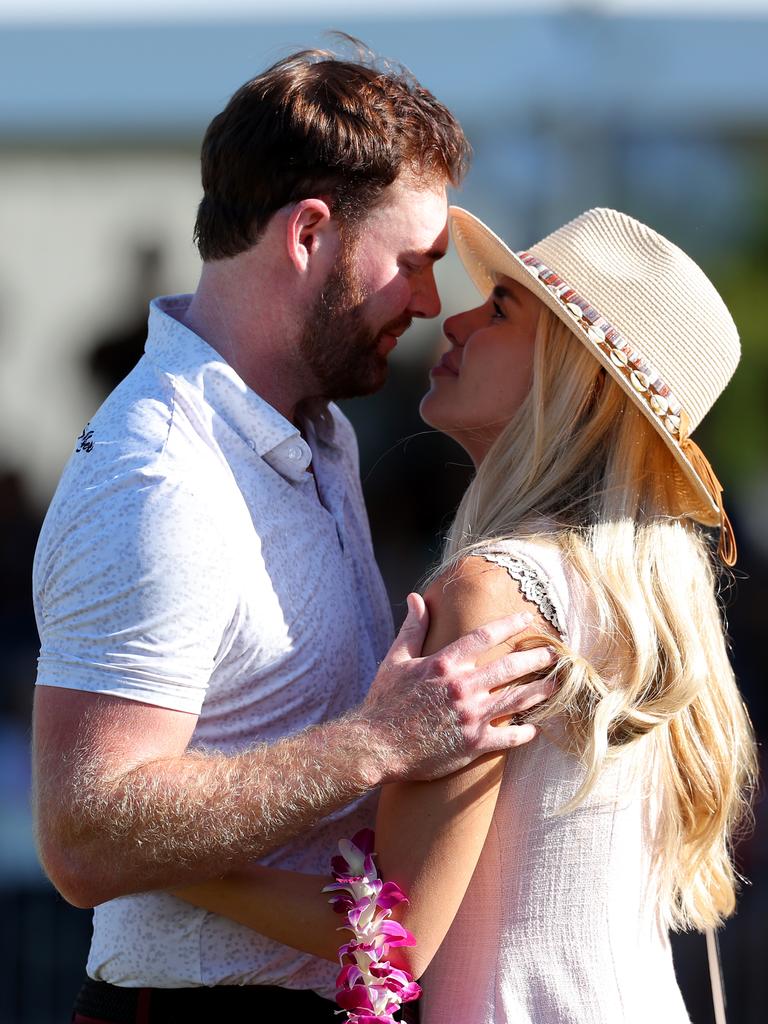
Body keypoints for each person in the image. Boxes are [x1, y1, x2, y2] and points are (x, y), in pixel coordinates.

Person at [31, 49, 556, 1023]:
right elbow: (81, 840)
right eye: (414, 264)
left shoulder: (315, 426)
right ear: (311, 232)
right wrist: (375, 744)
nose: (431, 305)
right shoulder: (159, 475)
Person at [174, 205, 757, 1024]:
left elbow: (390, 941)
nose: (456, 318)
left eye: (503, 309)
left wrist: (160, 862)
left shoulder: (495, 588)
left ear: (573, 376)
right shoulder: (646, 601)